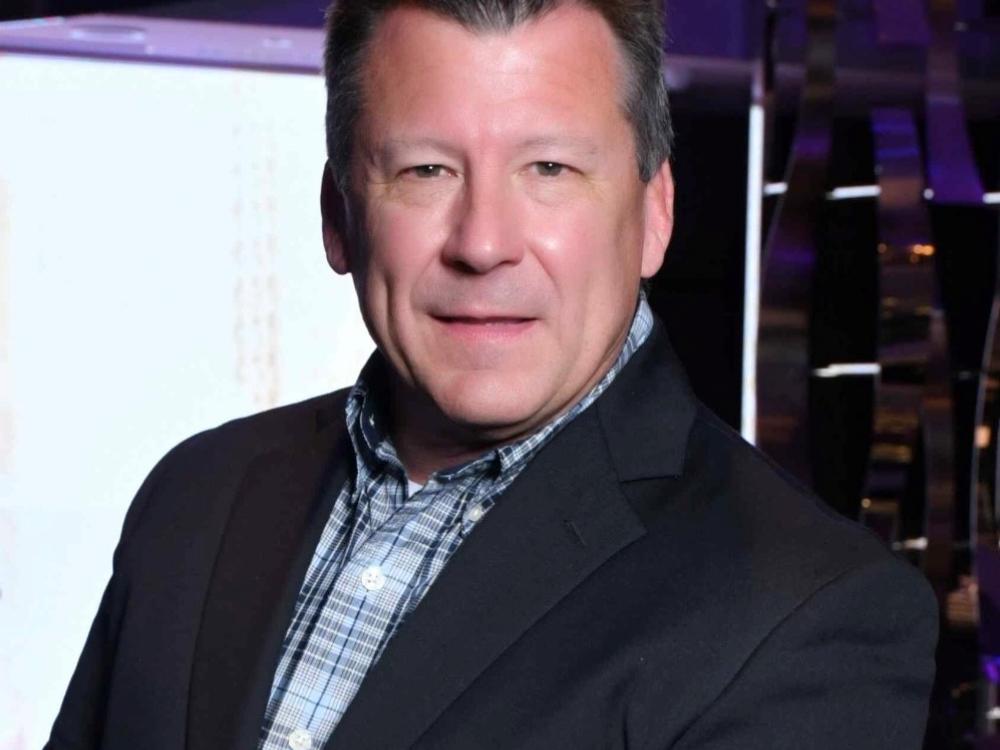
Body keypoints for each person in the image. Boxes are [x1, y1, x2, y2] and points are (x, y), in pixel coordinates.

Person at [46, 1, 938, 748]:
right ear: (339, 217)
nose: (482, 243)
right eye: (425, 170)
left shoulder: (812, 615)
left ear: (655, 215)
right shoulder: (197, 495)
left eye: (549, 169)